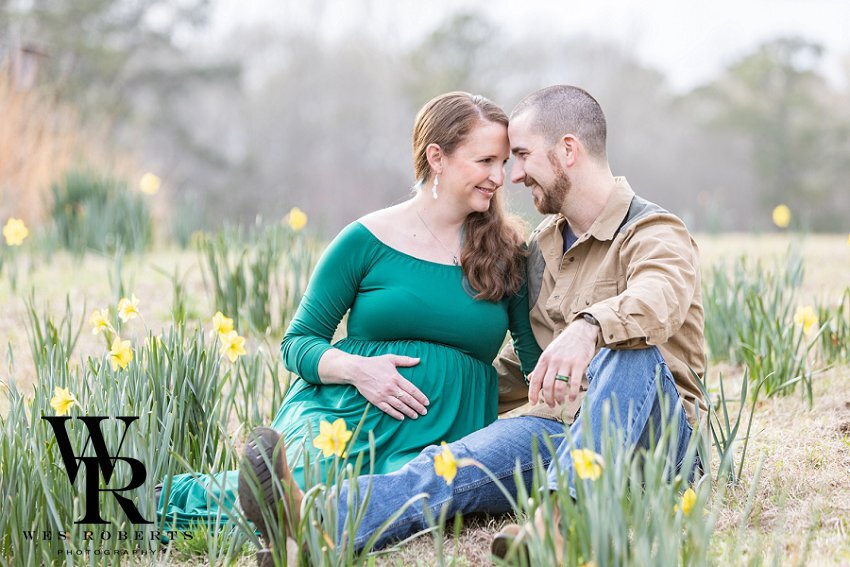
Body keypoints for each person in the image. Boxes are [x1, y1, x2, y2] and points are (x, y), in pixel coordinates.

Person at [238, 85, 707, 564]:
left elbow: (658, 300)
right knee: (445, 468)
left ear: (568, 150)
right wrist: (434, 388)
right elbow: (531, 367)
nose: (513, 176)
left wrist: (588, 329)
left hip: (654, 443)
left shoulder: (653, 231)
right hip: (562, 429)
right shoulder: (544, 247)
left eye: (520, 156)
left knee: (627, 350)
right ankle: (311, 529)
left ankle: (563, 526)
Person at [156, 92, 543, 529]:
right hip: (346, 414)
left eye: (504, 162)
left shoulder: (508, 252)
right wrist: (361, 370)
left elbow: (535, 363)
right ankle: (155, 502)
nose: (499, 176)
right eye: (485, 161)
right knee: (312, 482)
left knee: (384, 495)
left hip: (444, 431)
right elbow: (297, 343)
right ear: (437, 156)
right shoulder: (364, 240)